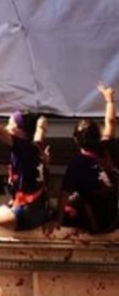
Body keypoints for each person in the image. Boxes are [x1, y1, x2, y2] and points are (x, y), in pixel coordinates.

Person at [48, 83, 119, 234]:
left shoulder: (77, 163)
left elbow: (64, 195)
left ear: (76, 140)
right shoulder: (107, 148)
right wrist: (110, 100)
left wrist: (57, 220)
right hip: (116, 216)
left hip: (99, 222)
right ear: (98, 135)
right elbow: (111, 124)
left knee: (64, 206)